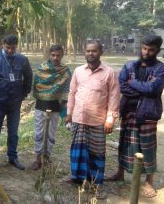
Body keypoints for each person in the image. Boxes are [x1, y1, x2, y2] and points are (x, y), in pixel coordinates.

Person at [106, 35, 164, 198]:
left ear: (157, 51)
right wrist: (142, 89)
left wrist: (134, 83)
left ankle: (149, 181)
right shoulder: (129, 65)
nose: (146, 52)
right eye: (144, 48)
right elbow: (122, 86)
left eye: (151, 50)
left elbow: (153, 88)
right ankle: (120, 173)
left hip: (148, 113)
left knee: (148, 147)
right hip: (128, 112)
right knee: (125, 142)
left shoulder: (160, 68)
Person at [65, 40, 120, 199]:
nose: (90, 54)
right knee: (78, 151)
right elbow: (72, 93)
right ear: (85, 52)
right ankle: (76, 178)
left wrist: (110, 119)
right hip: (78, 118)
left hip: (97, 120)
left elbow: (114, 98)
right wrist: (69, 113)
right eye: (88, 51)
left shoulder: (109, 73)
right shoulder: (78, 71)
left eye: (94, 51)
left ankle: (97, 184)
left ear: (101, 52)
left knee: (97, 154)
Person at [0, 34, 33, 171]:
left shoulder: (22, 60)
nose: (10, 51)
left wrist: (23, 94)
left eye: (13, 48)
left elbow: (29, 78)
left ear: (16, 46)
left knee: (13, 132)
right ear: (2, 45)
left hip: (14, 104)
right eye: (7, 48)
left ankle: (12, 157)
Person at [31, 44, 71, 170]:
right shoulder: (41, 69)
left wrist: (65, 109)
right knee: (39, 133)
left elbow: (67, 90)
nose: (55, 57)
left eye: (58, 55)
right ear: (49, 55)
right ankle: (38, 159)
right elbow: (37, 86)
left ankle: (47, 157)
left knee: (51, 134)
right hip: (41, 106)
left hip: (56, 107)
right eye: (53, 55)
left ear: (62, 55)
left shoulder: (65, 70)